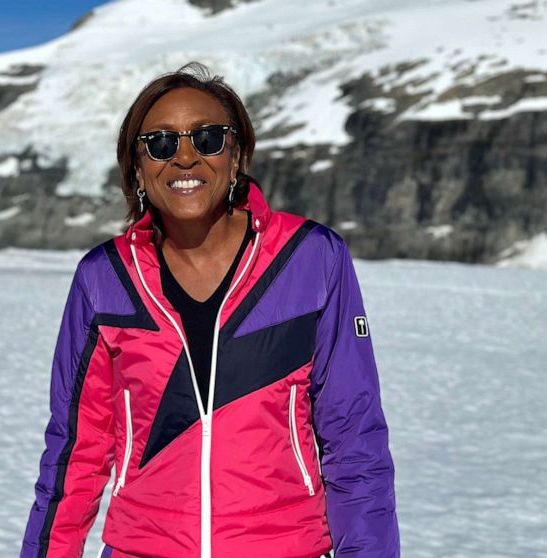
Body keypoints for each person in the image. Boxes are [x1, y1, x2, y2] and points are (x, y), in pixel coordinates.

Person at [20, 62, 400, 558]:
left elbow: (354, 440)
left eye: (207, 138)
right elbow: (75, 454)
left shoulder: (310, 258)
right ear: (137, 167)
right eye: (158, 143)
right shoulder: (104, 278)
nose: (183, 157)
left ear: (236, 154)